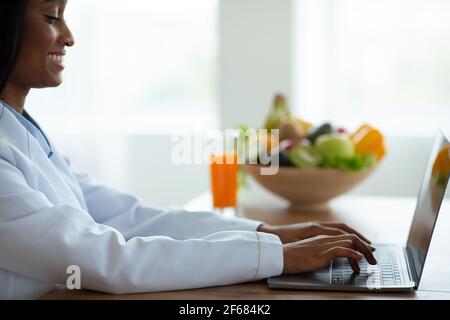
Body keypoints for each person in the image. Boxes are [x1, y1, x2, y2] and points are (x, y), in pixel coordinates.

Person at [0, 0, 377, 300]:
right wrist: (275, 256)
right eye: (52, 15)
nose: (68, 36)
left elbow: (128, 217)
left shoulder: (23, 129)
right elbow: (104, 262)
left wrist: (269, 234)